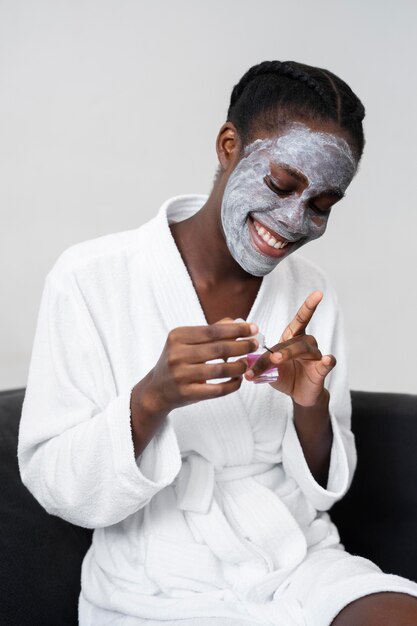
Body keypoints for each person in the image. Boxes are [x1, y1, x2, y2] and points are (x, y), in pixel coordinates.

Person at [18, 60, 417, 625]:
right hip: (154, 585)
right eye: (282, 184)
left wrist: (311, 407)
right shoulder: (91, 278)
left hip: (294, 561)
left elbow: (324, 491)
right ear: (229, 145)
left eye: (322, 205)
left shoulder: (311, 290)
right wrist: (149, 400)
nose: (293, 220)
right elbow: (56, 484)